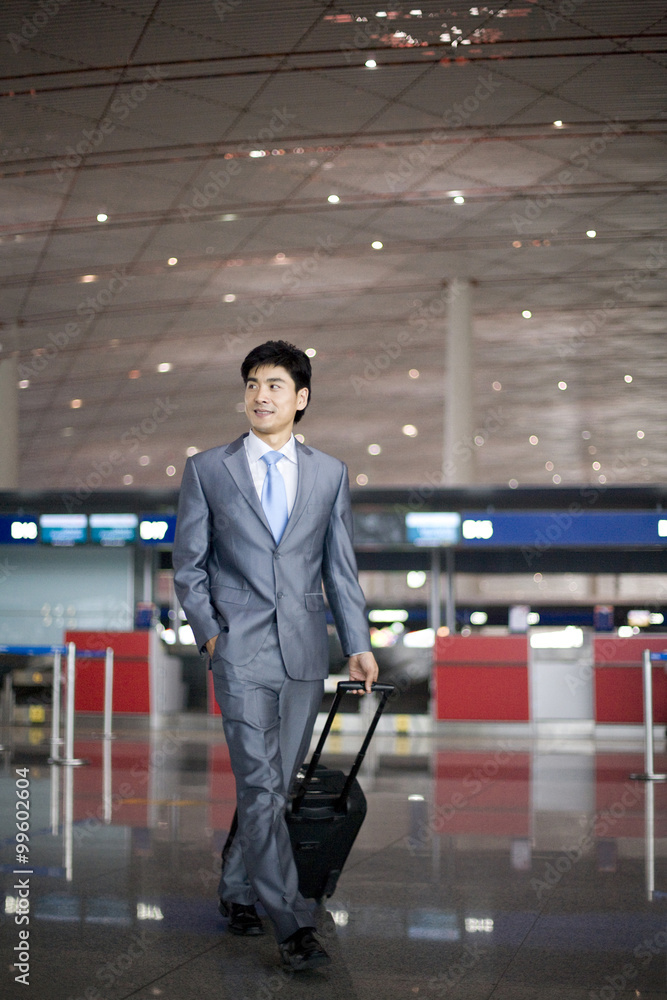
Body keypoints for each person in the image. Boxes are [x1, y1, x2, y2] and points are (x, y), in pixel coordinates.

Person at [173, 339, 378, 971]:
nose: (261, 396)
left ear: (301, 399)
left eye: (275, 386)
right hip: (238, 653)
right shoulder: (209, 469)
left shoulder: (329, 473)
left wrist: (359, 643)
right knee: (260, 784)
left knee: (274, 784)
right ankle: (292, 925)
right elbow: (189, 565)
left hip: (303, 654)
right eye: (253, 384)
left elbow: (339, 571)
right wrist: (212, 634)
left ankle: (238, 889)